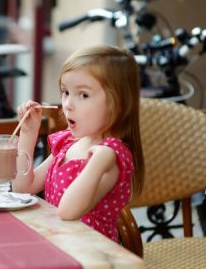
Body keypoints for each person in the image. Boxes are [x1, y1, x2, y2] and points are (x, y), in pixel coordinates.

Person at [13, 45, 145, 243]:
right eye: (65, 92)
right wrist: (28, 133)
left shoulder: (112, 156)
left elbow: (67, 212)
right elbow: (22, 188)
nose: (68, 104)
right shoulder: (69, 142)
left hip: (92, 258)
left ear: (117, 103)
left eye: (83, 95)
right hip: (59, 246)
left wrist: (98, 161)